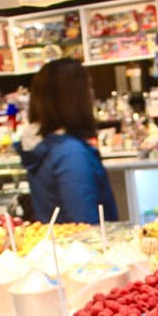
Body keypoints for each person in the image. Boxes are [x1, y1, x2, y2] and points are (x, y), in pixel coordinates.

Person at [16, 58, 118, 225]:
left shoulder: (43, 146)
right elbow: (85, 223)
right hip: (83, 248)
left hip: (59, 245)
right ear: (73, 97)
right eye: (88, 87)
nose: (92, 94)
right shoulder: (71, 153)